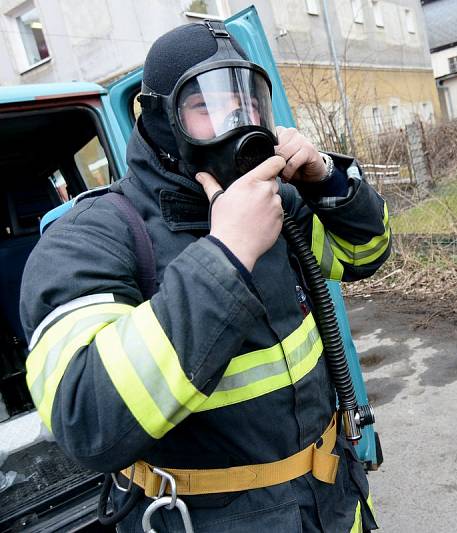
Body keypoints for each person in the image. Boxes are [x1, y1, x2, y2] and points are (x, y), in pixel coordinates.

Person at [20, 21, 389, 532]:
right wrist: (227, 254)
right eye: (207, 106)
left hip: (332, 501)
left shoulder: (275, 201)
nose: (238, 121)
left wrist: (325, 178)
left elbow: (365, 254)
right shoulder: (92, 236)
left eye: (248, 102)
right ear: (160, 121)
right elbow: (87, 419)